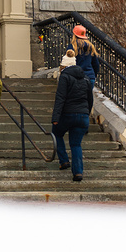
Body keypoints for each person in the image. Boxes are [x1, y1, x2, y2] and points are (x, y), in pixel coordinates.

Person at [52, 49, 93, 182]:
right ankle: (78, 173)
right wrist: (87, 113)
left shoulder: (64, 77)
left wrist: (55, 118)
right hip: (83, 116)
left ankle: (64, 161)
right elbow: (90, 99)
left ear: (63, 66)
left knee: (56, 133)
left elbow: (60, 98)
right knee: (76, 144)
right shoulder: (86, 78)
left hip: (68, 115)